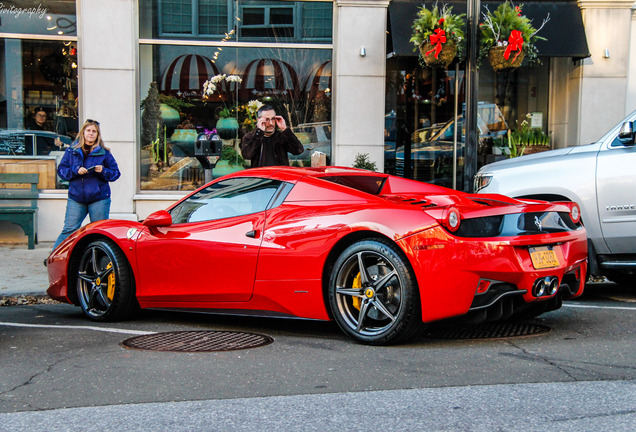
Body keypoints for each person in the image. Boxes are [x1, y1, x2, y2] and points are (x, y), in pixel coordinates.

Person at [52, 119, 120, 250]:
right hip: (76, 198)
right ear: (83, 133)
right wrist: (75, 171)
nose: (91, 134)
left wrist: (103, 171)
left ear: (97, 134)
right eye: (88, 130)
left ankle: (99, 261)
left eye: (94, 131)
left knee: (99, 232)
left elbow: (116, 173)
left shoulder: (104, 153)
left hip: (99, 199)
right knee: (69, 229)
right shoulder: (72, 151)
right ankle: (54, 258)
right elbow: (61, 170)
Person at [240, 105, 304, 167]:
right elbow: (247, 155)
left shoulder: (281, 136)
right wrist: (259, 133)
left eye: (273, 119)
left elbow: (298, 150)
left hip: (278, 176)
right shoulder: (250, 136)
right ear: (258, 120)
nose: (271, 123)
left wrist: (285, 129)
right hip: (261, 176)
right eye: (267, 119)